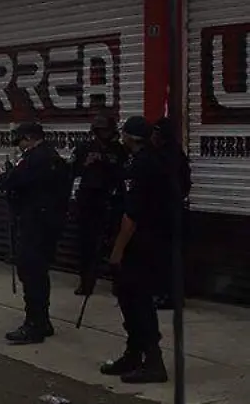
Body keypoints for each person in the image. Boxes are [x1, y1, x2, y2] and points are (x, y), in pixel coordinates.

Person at [102, 116, 174, 384]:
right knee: (128, 300)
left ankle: (153, 362)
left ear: (131, 137)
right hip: (149, 242)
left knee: (139, 302)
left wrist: (117, 250)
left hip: (139, 246)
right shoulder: (149, 160)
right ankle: (134, 354)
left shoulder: (142, 165)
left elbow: (131, 215)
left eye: (124, 134)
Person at [0, 121, 72, 344]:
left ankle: (34, 324)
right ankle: (43, 320)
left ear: (29, 137)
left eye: (20, 140)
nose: (19, 145)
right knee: (39, 272)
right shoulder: (53, 157)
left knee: (31, 274)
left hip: (34, 224)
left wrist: (4, 176)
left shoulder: (35, 159)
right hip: (49, 223)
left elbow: (11, 182)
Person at [70, 115, 127, 295]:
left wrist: (108, 163)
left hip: (111, 199)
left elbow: (126, 173)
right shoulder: (84, 148)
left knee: (114, 243)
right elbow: (71, 171)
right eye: (100, 130)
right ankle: (86, 281)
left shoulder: (120, 150)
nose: (103, 134)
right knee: (86, 244)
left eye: (106, 130)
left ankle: (118, 282)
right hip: (88, 200)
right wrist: (86, 164)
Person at [150, 116, 191, 310]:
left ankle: (168, 295)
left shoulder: (163, 156)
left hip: (165, 212)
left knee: (165, 256)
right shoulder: (176, 154)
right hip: (171, 210)